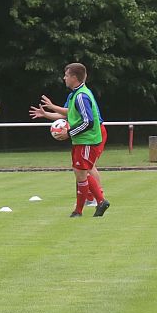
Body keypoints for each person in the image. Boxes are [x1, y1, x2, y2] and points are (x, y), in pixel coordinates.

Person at [29, 62, 109, 217]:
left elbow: (88, 121)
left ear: (74, 77)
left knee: (84, 171)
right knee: (80, 172)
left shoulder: (81, 96)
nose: (63, 78)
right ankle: (94, 203)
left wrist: (69, 133)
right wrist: (47, 113)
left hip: (87, 139)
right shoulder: (75, 94)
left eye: (66, 75)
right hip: (81, 139)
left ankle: (90, 204)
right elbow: (68, 113)